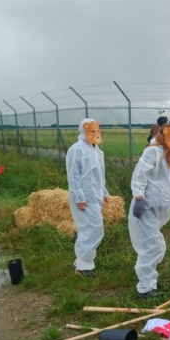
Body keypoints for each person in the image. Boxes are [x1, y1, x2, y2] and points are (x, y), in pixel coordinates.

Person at [128, 124, 170, 298]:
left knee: (155, 244)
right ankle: (145, 288)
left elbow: (162, 176)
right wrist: (138, 197)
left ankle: (149, 282)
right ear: (164, 137)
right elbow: (140, 175)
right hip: (146, 206)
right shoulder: (152, 152)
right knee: (152, 245)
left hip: (157, 205)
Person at [65, 118, 110, 278]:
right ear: (83, 131)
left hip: (94, 196)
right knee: (92, 230)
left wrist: (104, 192)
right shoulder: (76, 150)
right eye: (92, 131)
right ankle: (83, 266)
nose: (96, 134)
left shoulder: (96, 150)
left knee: (91, 229)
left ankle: (83, 262)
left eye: (97, 130)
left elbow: (98, 175)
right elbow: (73, 175)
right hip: (84, 198)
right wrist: (79, 197)